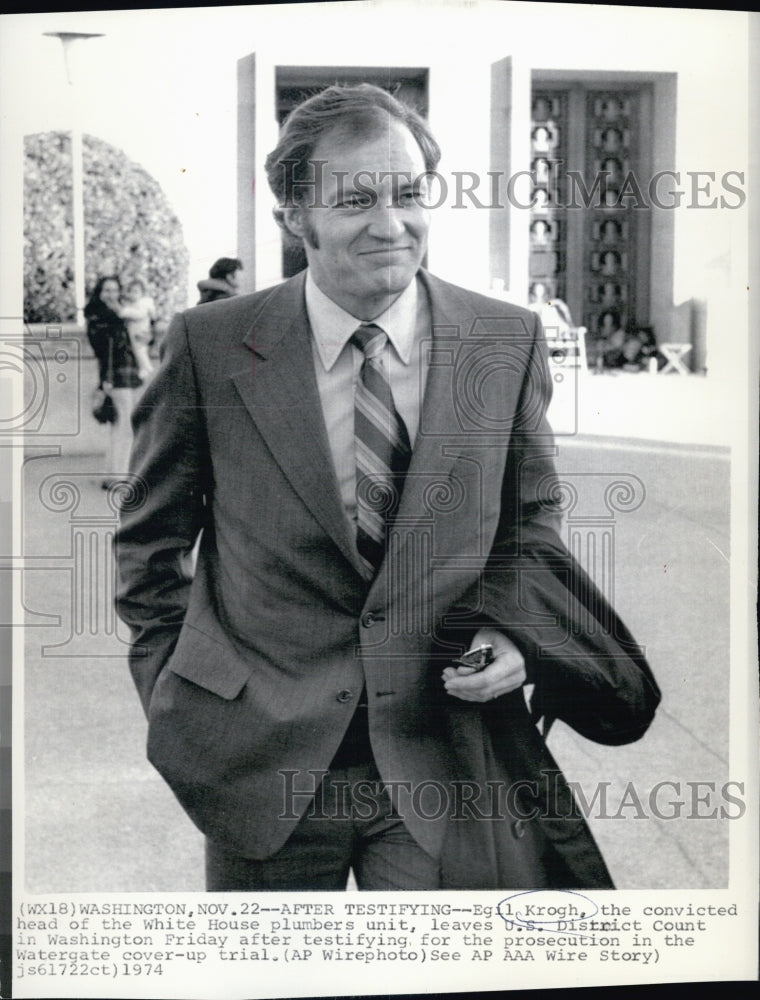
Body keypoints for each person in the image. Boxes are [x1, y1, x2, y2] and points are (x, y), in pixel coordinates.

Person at [115, 83, 659, 892]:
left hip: (441, 759)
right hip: (260, 768)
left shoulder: (503, 340)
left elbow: (530, 524)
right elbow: (148, 545)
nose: (390, 223)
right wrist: (179, 701)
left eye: (409, 194)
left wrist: (517, 637)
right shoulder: (211, 347)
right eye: (355, 199)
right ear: (294, 217)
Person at [85, 276, 142, 488]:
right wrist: (106, 380)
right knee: (125, 426)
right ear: (100, 293)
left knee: (119, 425)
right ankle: (119, 476)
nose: (111, 294)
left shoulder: (100, 317)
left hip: (116, 374)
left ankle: (112, 474)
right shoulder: (107, 319)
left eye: (114, 290)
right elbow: (106, 351)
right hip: (117, 375)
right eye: (107, 290)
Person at [119, 278, 156, 382]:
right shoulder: (133, 303)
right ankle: (143, 368)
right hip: (134, 330)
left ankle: (147, 367)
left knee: (140, 351)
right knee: (137, 351)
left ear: (142, 293)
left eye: (136, 291)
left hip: (141, 331)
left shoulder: (143, 303)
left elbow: (139, 315)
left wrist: (125, 312)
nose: (133, 294)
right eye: (130, 291)